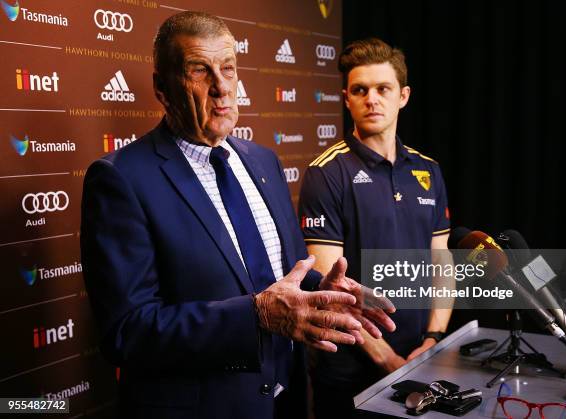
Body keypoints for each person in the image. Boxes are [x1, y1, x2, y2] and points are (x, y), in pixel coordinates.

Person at [80, 13, 394, 419]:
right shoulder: (121, 179)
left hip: (289, 401)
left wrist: (326, 291)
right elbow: (127, 332)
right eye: (200, 70)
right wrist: (257, 315)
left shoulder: (264, 160)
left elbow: (287, 271)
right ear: (162, 87)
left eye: (228, 68)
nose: (222, 87)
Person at [298, 38, 453, 418]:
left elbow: (441, 260)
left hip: (419, 358)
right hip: (350, 369)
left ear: (403, 96)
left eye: (383, 89)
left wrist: (433, 339)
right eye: (360, 90)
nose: (372, 99)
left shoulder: (427, 170)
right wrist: (386, 359)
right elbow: (330, 286)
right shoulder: (326, 174)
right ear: (347, 98)